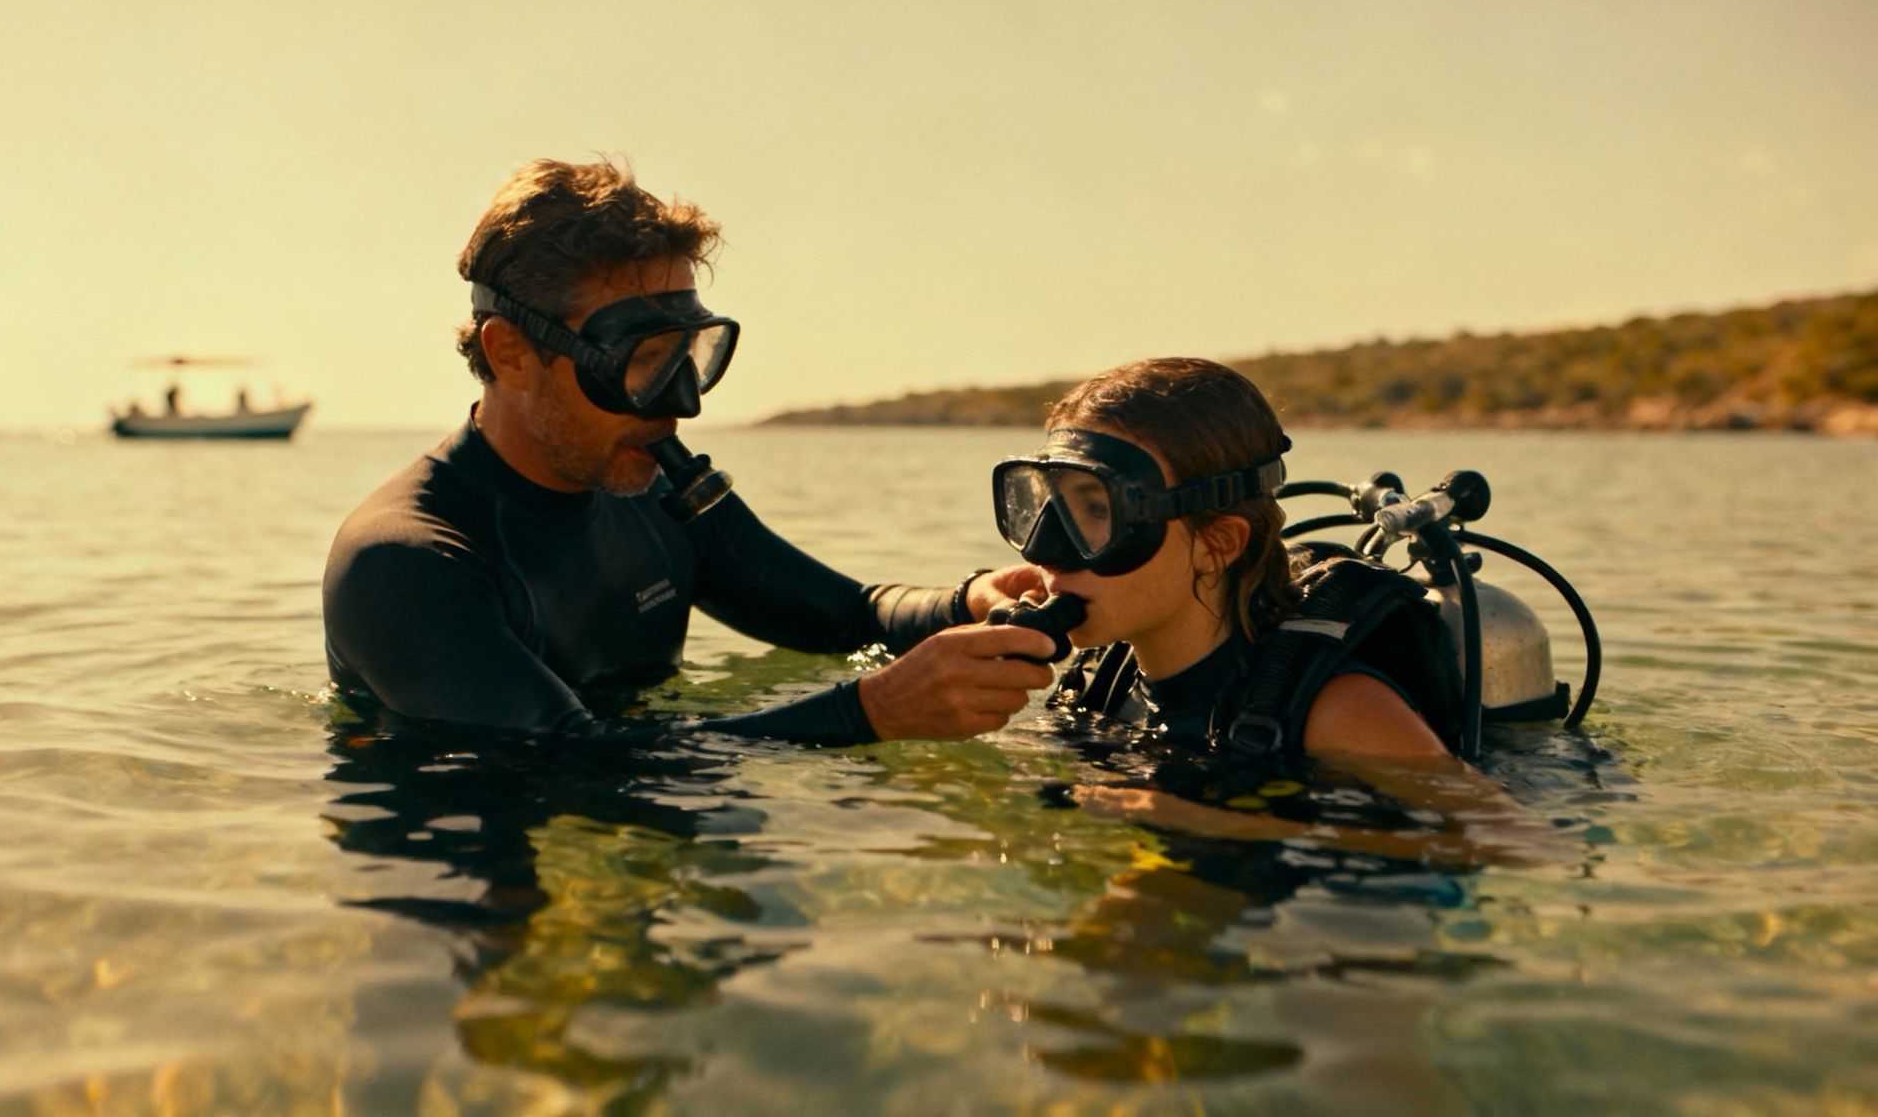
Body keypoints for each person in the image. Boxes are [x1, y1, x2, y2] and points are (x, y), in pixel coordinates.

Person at [323, 158, 1051, 745]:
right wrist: (872, 714)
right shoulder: (404, 560)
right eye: (641, 360)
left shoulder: (660, 488)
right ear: (510, 353)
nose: (682, 403)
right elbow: (560, 756)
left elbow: (852, 617)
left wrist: (966, 602)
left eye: (689, 356)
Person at [994, 358, 1561, 861]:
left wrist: (1219, 825)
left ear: (1217, 544)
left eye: (1098, 510)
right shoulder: (1109, 679)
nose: (1046, 549)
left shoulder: (1336, 709)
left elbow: (1525, 844)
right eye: (1048, 506)